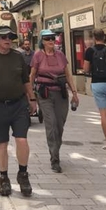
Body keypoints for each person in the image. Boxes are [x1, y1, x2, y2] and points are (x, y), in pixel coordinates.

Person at [0, 25, 37, 197]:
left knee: (22, 140)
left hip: (19, 104)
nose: (8, 40)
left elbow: (26, 80)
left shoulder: (18, 57)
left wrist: (32, 99)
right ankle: (3, 177)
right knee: (1, 143)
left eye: (10, 37)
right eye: (4, 37)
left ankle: (23, 174)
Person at [29, 29, 79, 172]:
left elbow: (68, 75)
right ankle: (54, 158)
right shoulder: (38, 55)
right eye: (47, 39)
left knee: (59, 125)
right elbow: (32, 76)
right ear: (42, 41)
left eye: (52, 38)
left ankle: (56, 149)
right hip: (45, 94)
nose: (51, 41)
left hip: (61, 94)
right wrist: (31, 96)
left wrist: (74, 93)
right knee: (51, 125)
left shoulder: (60, 55)